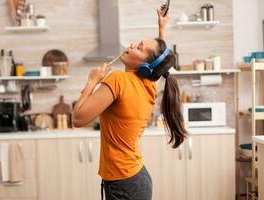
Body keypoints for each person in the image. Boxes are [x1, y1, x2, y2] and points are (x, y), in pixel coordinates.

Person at [72, 6, 187, 200]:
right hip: (132, 179)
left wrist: (92, 82)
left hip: (124, 183)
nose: (132, 44)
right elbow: (159, 63)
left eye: (139, 47)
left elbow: (77, 119)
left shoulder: (119, 80)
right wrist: (162, 27)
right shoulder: (149, 84)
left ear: (145, 67)